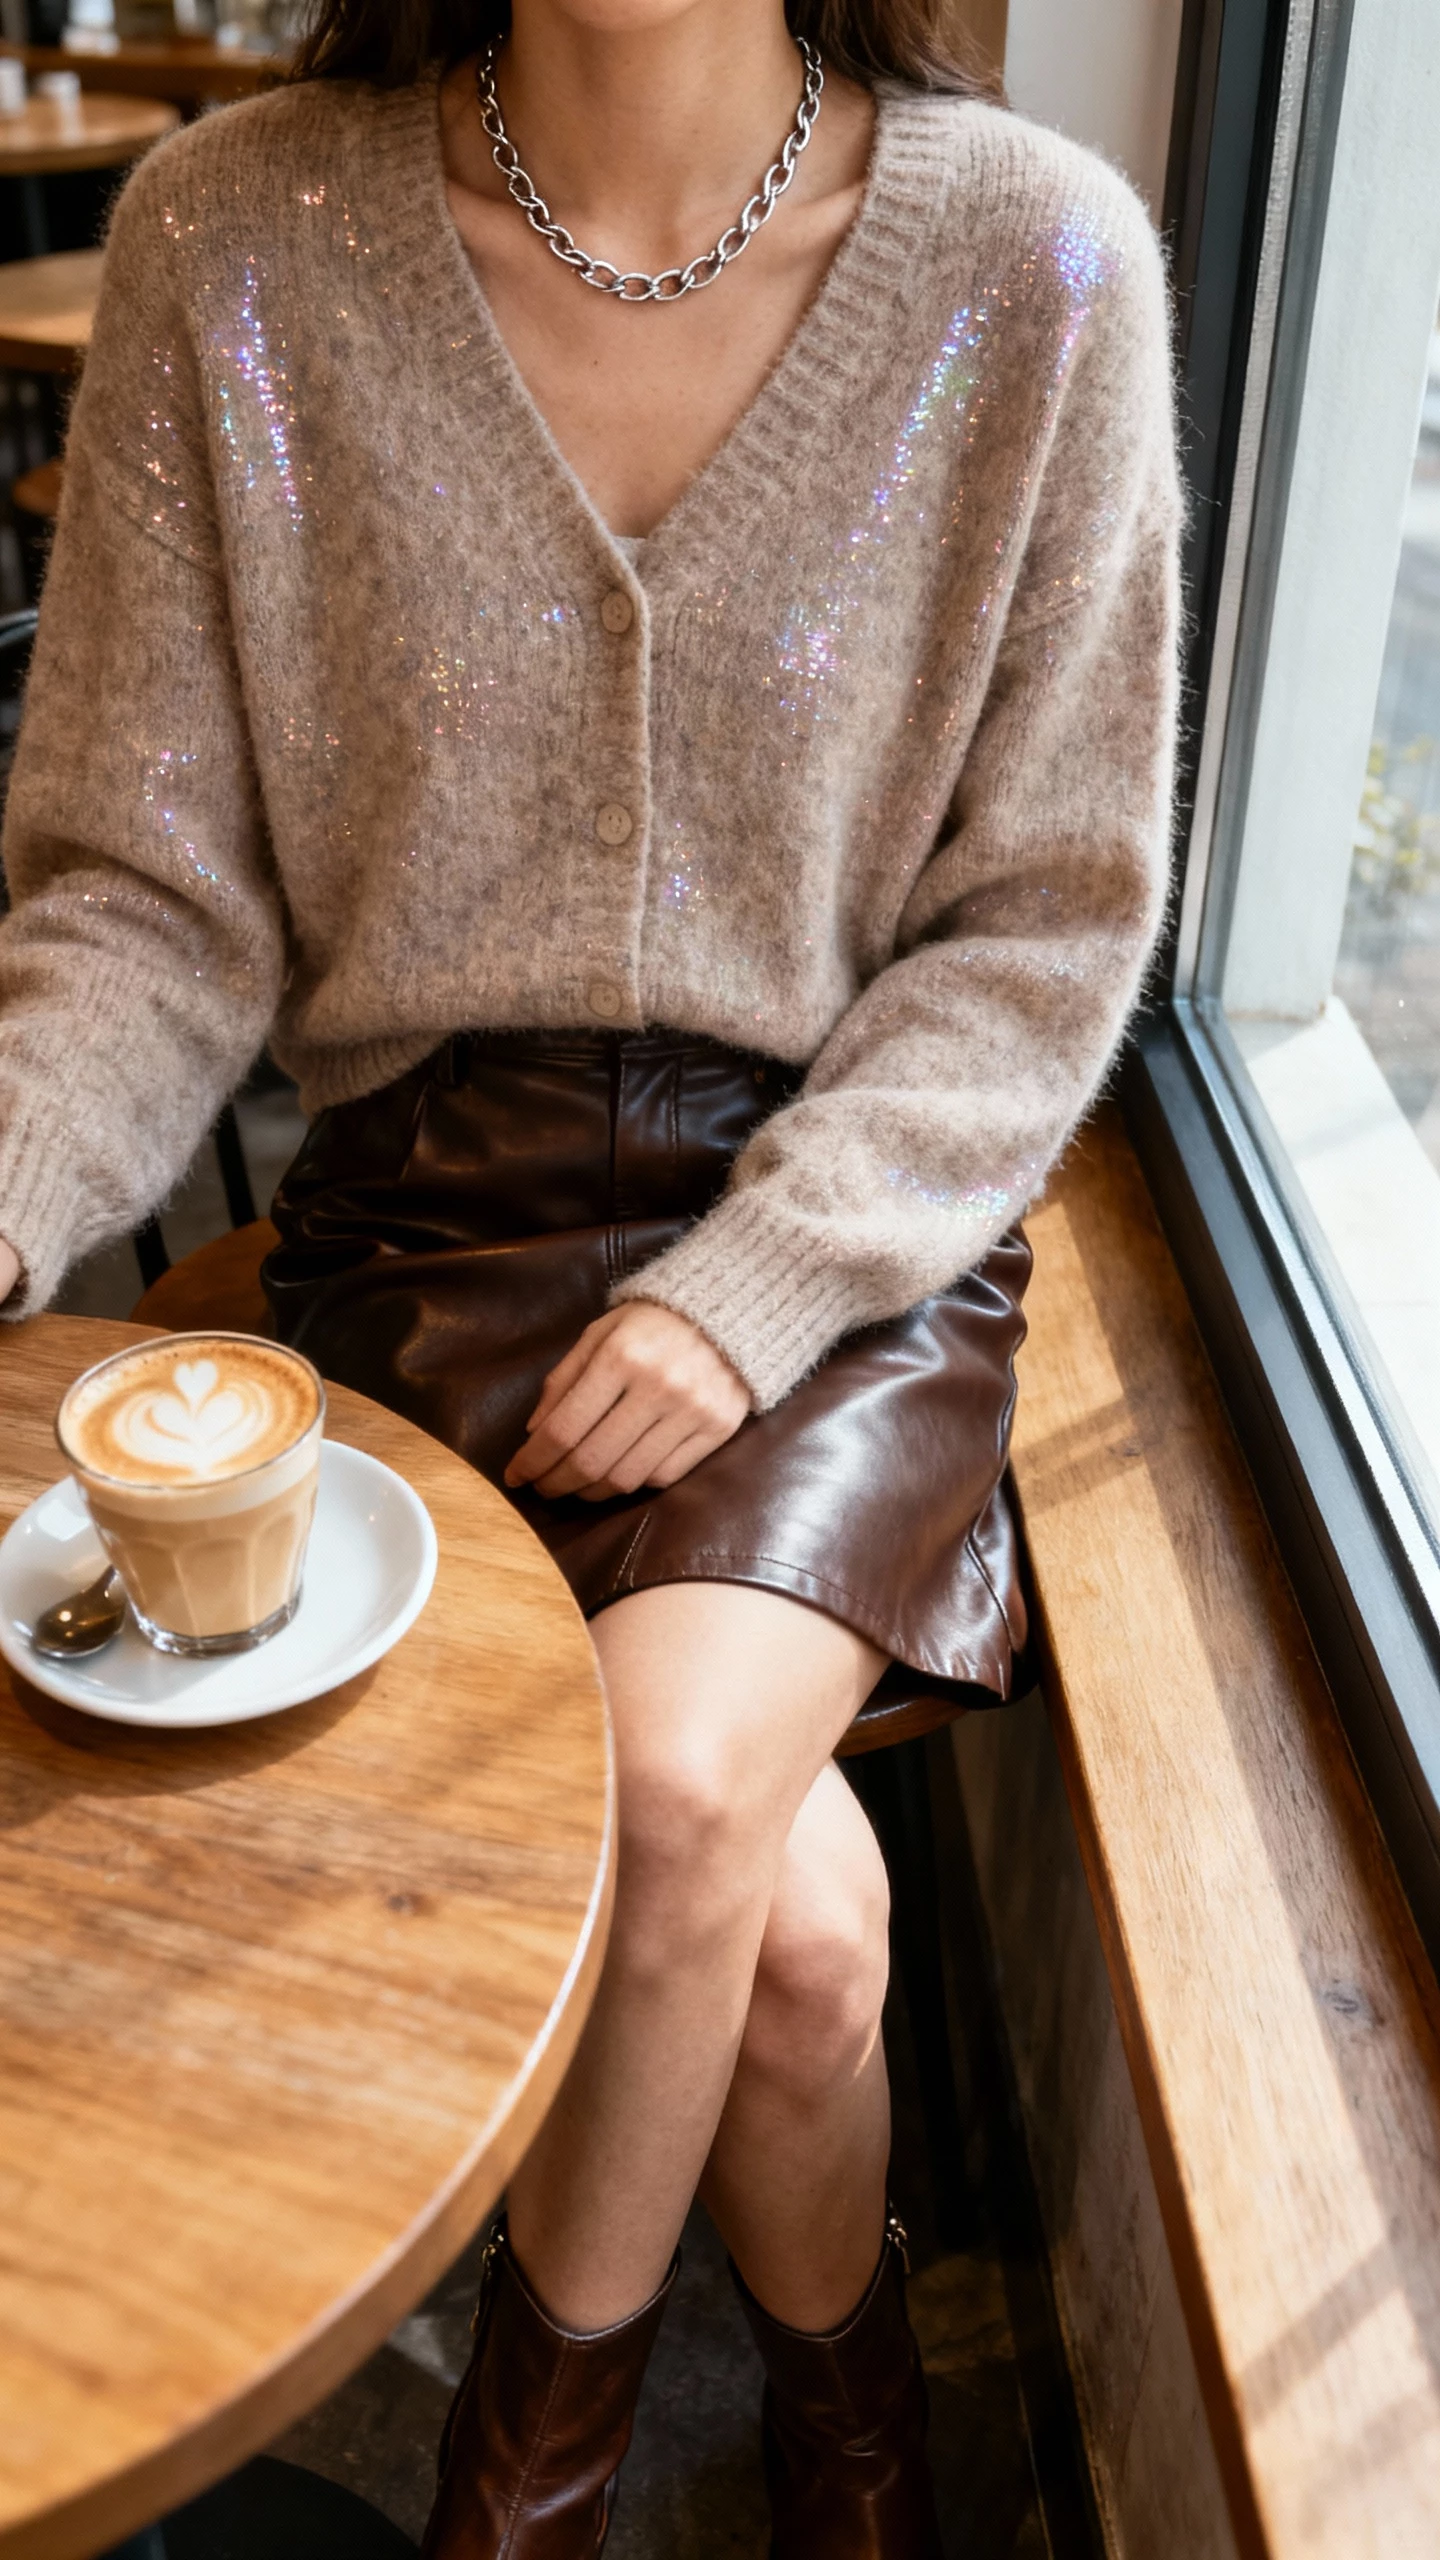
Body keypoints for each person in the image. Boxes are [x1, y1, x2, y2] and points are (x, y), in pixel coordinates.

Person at [0, 0, 1180, 2548]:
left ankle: (514, 2488)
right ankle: (866, 2442)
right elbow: (143, 899)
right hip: (422, 1230)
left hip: (853, 1230)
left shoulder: (1045, 265)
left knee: (666, 1795)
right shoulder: (234, 244)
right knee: (802, 1959)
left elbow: (1046, 924)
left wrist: (764, 1284)